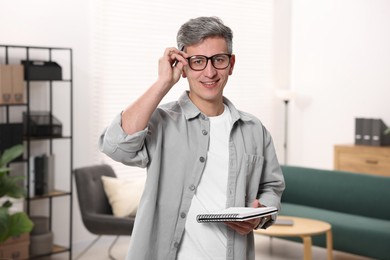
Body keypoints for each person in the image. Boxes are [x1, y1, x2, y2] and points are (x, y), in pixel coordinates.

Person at [99, 16, 285, 260]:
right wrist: (163, 82)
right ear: (183, 67)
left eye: (218, 60)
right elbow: (116, 146)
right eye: (198, 61)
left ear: (231, 64)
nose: (210, 72)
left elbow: (272, 186)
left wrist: (260, 215)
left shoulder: (254, 129)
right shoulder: (160, 121)